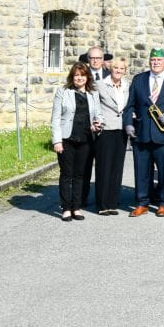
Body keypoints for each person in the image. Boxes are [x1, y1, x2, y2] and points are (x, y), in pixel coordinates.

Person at [124, 48, 164, 217]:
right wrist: (128, 124)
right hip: (142, 134)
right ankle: (142, 203)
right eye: (153, 60)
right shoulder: (139, 79)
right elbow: (130, 105)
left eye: (159, 60)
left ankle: (163, 203)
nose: (155, 63)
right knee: (142, 171)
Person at [51, 62, 103, 221]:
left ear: (87, 77)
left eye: (82, 75)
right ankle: (66, 208)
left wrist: (98, 123)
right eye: (76, 75)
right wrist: (56, 141)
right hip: (67, 139)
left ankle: (77, 207)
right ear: (72, 77)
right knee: (67, 174)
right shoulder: (63, 92)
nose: (79, 78)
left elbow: (98, 114)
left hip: (86, 139)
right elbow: (55, 119)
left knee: (80, 175)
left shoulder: (93, 93)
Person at [94, 57, 128, 215]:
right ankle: (102, 204)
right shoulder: (100, 84)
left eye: (122, 68)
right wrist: (96, 122)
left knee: (117, 167)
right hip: (106, 129)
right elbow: (94, 106)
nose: (118, 71)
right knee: (104, 166)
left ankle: (113, 203)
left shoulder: (127, 85)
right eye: (116, 68)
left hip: (121, 130)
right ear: (111, 69)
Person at [79, 46, 111, 208]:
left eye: (98, 58)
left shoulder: (110, 75)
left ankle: (103, 199)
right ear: (88, 59)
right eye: (92, 58)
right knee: (84, 166)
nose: (95, 61)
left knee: (104, 166)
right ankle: (81, 199)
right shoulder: (81, 76)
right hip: (86, 128)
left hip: (106, 128)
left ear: (103, 59)